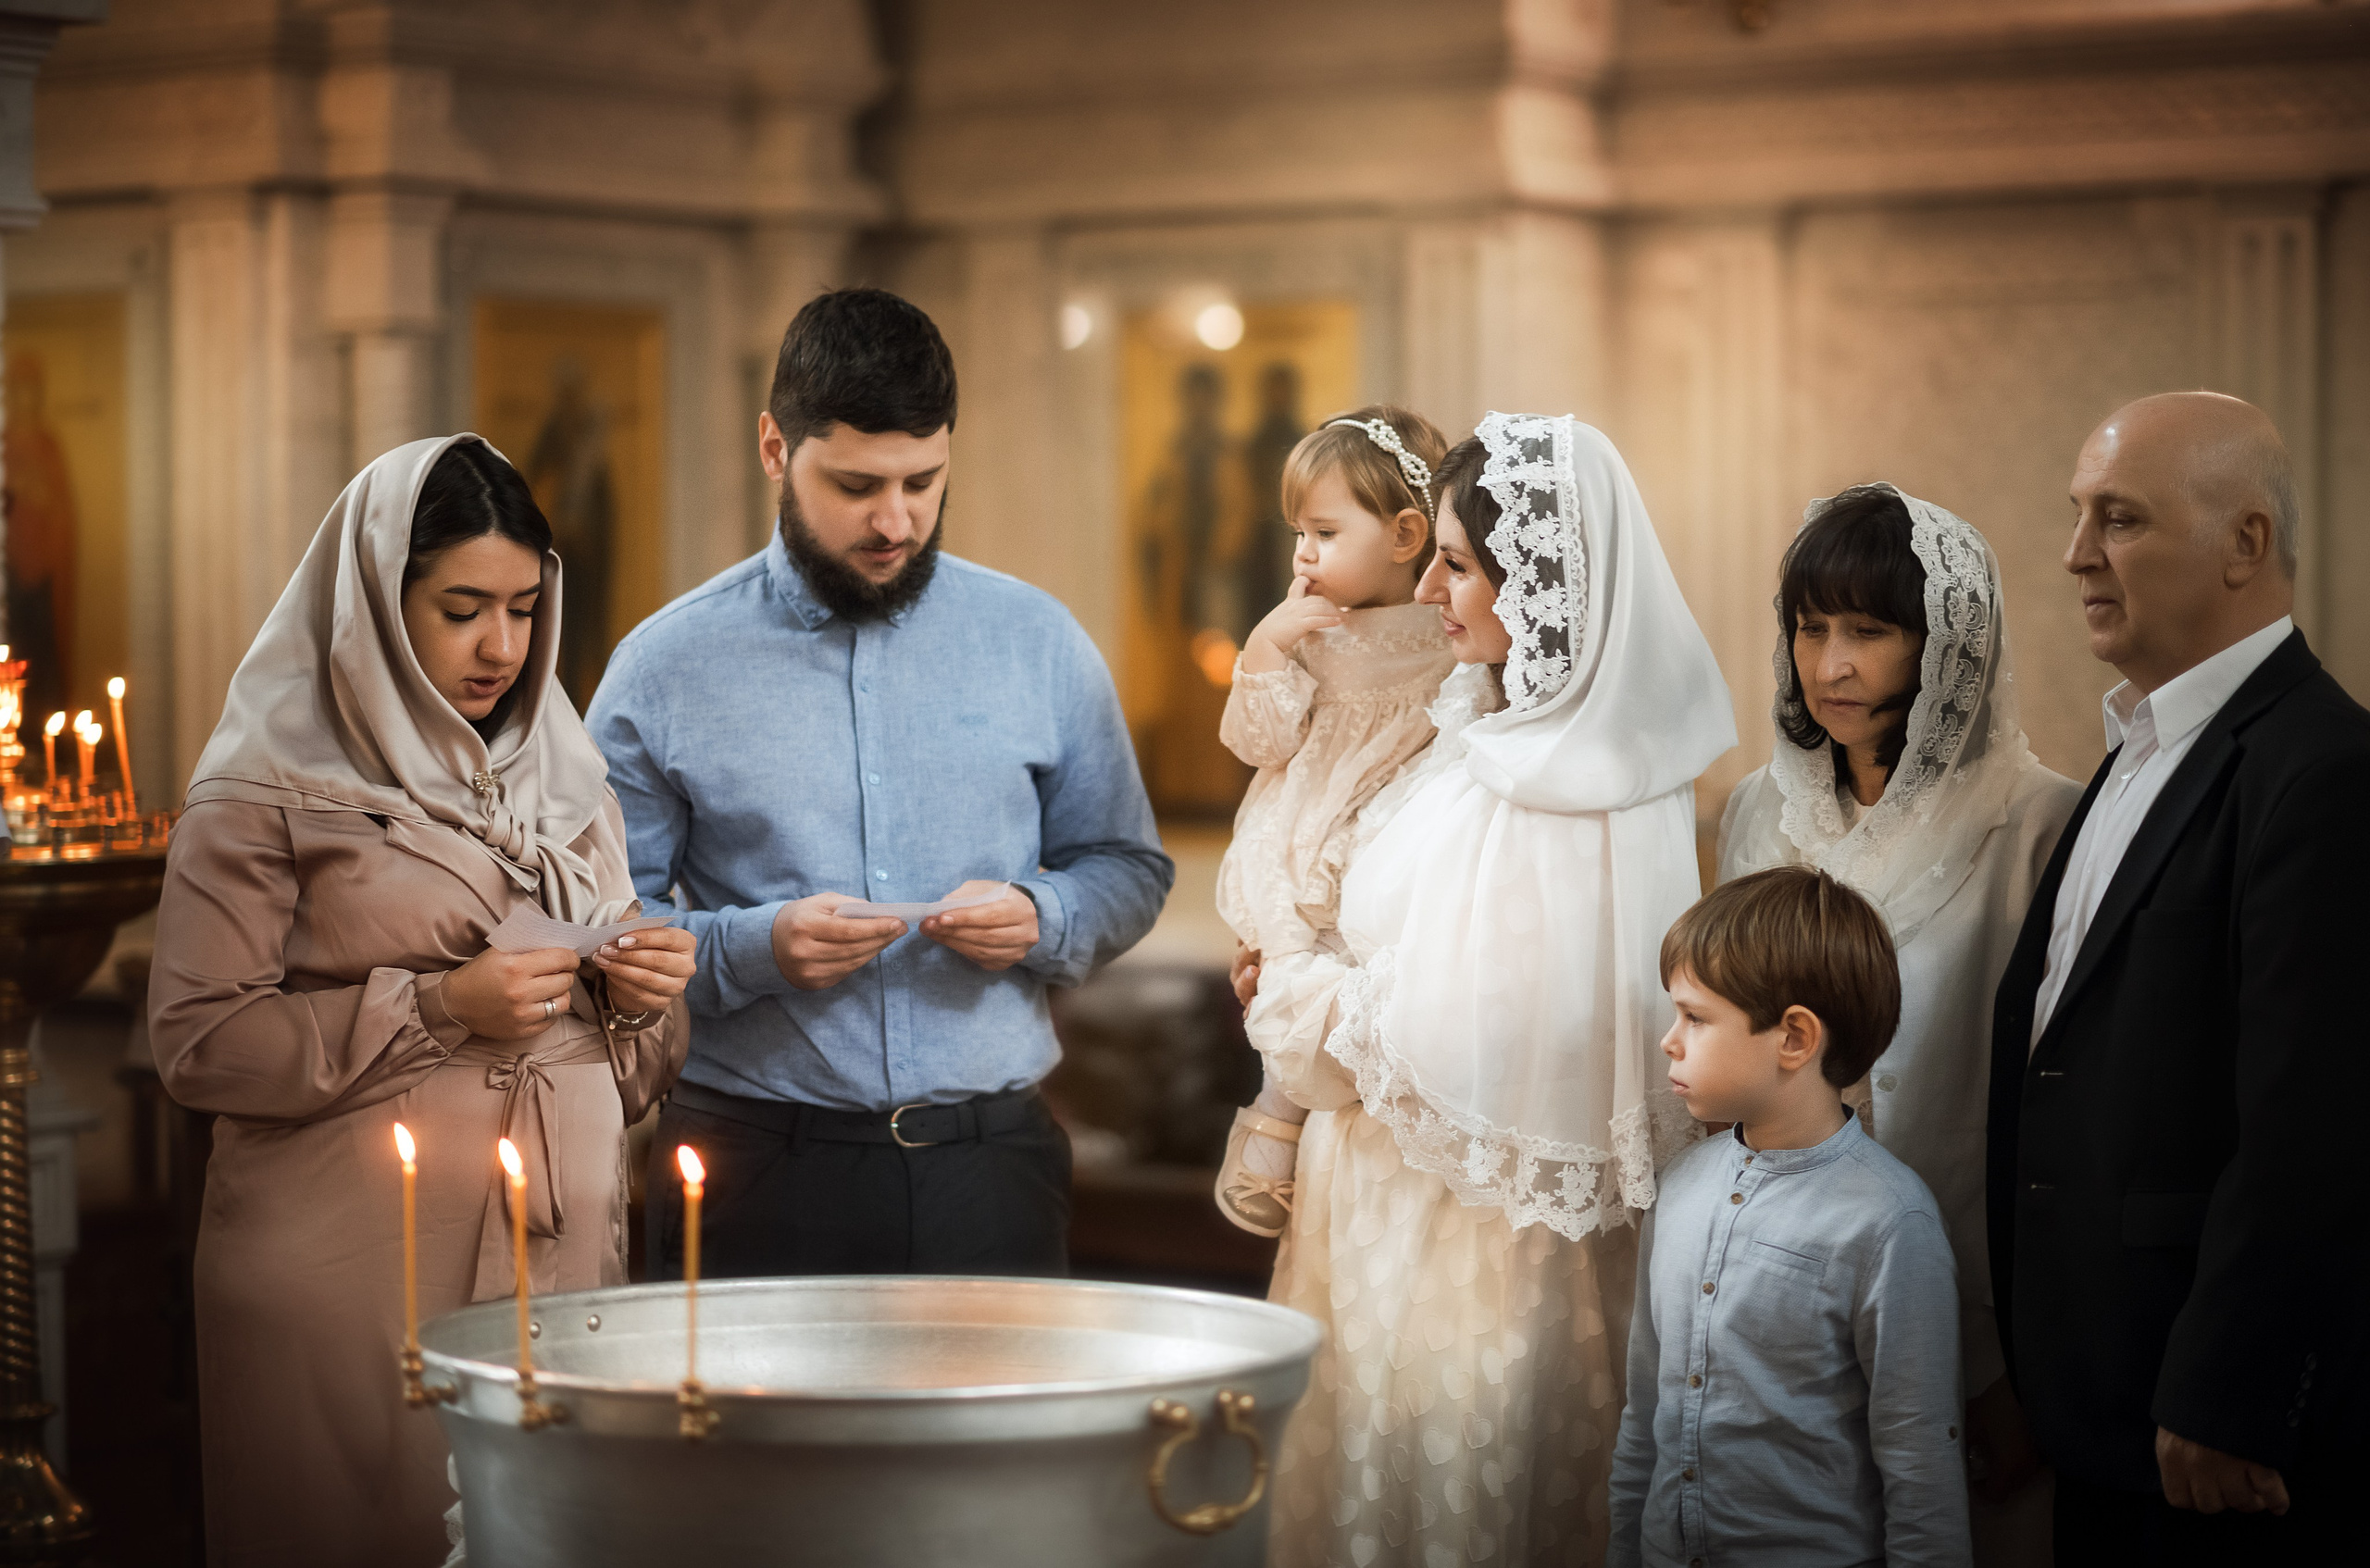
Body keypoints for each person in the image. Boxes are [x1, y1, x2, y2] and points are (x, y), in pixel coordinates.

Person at [148, 435, 693, 1567]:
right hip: (358, 1277)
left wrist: (642, 995)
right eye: (461, 608)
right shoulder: (264, 789)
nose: (504, 645)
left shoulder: (565, 774)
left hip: (563, 1262)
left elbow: (636, 1072)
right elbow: (199, 1044)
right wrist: (440, 1007)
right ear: (375, 607)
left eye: (527, 607)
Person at [589, 287, 1172, 1281]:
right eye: (856, 483)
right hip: (752, 1165)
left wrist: (1044, 912)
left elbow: (1126, 864)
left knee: (1006, 1444)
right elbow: (601, 925)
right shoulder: (663, 665)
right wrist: (755, 947)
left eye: (923, 480)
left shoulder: (1037, 640)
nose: (894, 520)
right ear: (775, 448)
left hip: (994, 1165)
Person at [1245, 413, 1734, 1565]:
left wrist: (1293, 988)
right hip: (1377, 1213)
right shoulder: (1484, 737)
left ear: (1541, 584)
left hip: (1461, 1250)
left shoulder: (1568, 785)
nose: (1429, 585)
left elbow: (1440, 1031)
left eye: (1458, 563)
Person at [1987, 392, 2370, 1562]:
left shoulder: (2324, 772)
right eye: (2076, 517)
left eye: (2120, 519)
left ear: (2244, 543)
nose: (2074, 555)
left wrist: (2222, 1390)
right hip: (2091, 1393)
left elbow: (2314, 1124)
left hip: (2207, 1430)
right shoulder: (2135, 750)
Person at [1715, 484, 2077, 1541]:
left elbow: (2053, 1109)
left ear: (1948, 643)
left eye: (1869, 631)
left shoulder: (2038, 822)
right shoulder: (1757, 809)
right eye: (1810, 626)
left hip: (1966, 1298)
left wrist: (2012, 1367)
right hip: (1773, 1299)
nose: (1830, 664)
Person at [1613, 866, 1970, 1567]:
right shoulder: (1680, 1185)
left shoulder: (1890, 1223)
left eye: (1696, 1017)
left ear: (1795, 1039)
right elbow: (1642, 1416)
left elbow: (1920, 1461)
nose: (1669, 1041)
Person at [1210, 405, 1455, 1236]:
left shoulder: (1449, 639)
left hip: (1376, 841)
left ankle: (1281, 1118)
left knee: (1338, 967)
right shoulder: (1308, 627)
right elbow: (1258, 741)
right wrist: (1268, 650)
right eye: (1297, 533)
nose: (1302, 554)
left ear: (1405, 534)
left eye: (1322, 531)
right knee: (1283, 967)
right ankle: (1275, 1115)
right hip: (1296, 835)